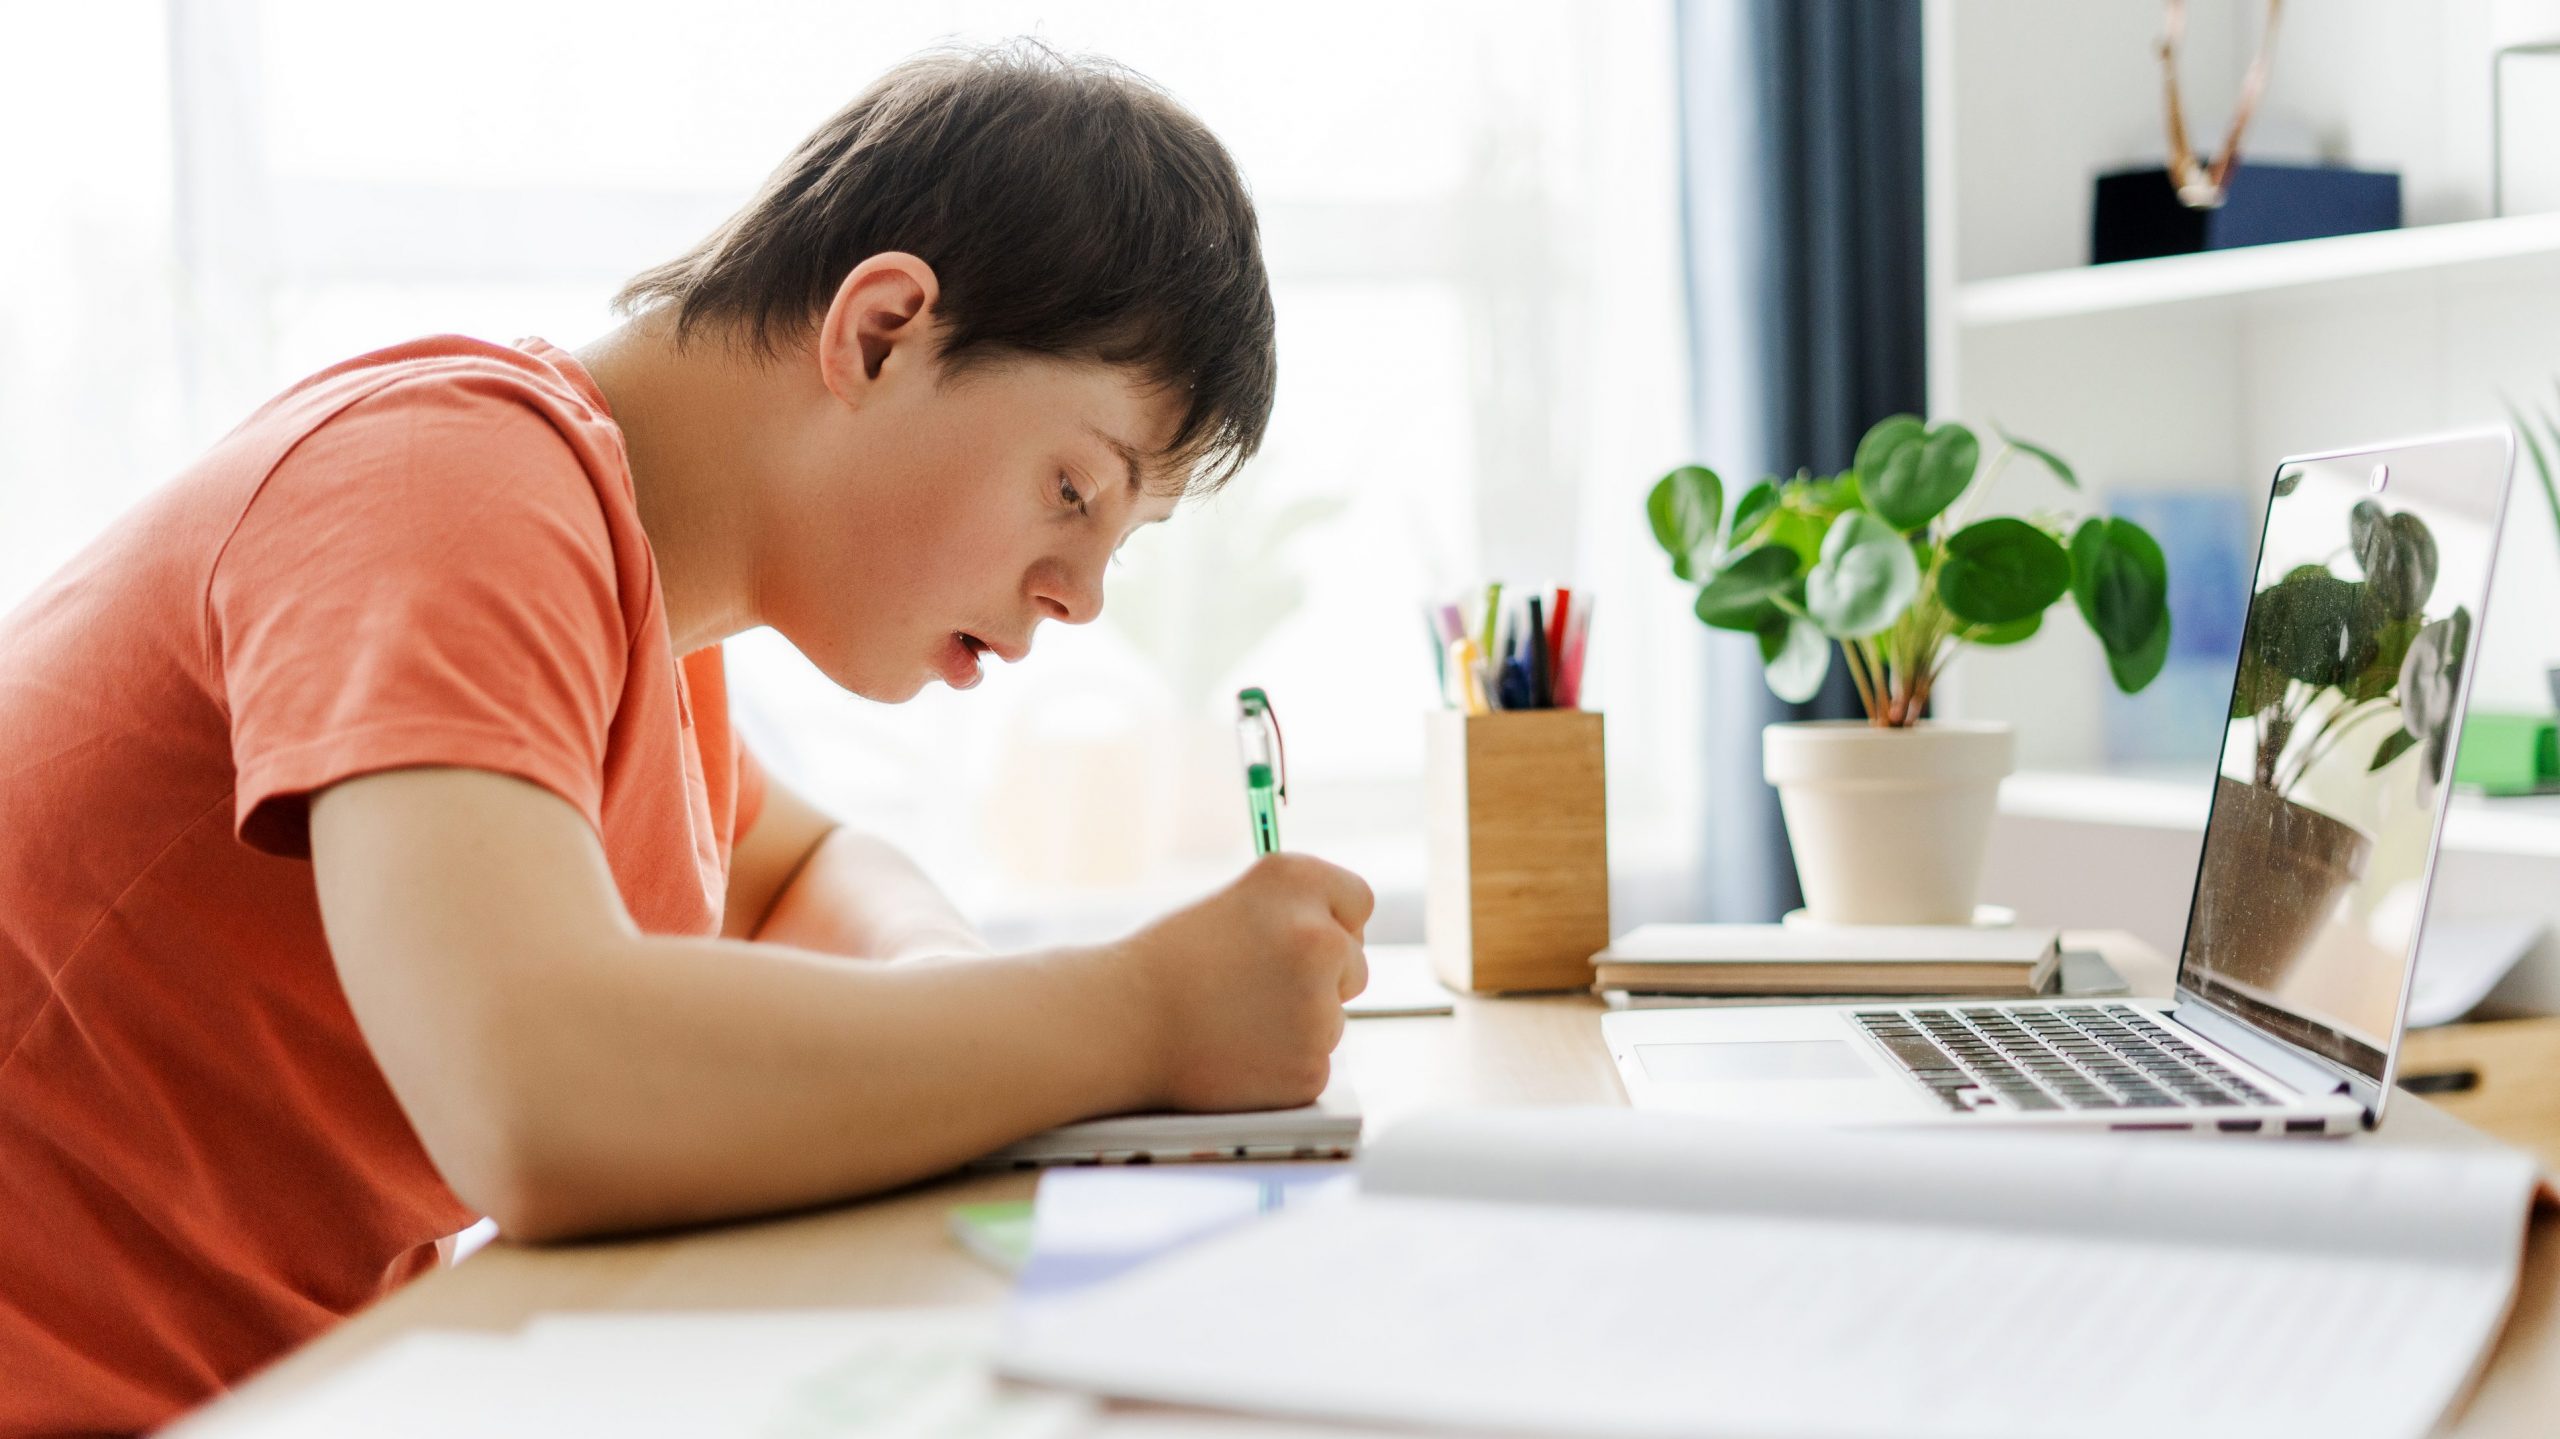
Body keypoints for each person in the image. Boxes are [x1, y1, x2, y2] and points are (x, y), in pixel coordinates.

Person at [0, 41, 1371, 1435]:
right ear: (882, 330)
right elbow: (536, 1092)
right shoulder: (449, 491)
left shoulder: (641, 613)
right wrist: (1137, 1014)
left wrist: (953, 1004)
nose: (1078, 597)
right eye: (1074, 489)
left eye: (1117, 547)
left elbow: (800, 871)